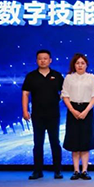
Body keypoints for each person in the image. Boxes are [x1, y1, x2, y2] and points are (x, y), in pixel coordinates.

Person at [22, 50, 65, 180]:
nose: (43, 61)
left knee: (55, 142)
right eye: (40, 58)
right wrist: (25, 110)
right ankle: (37, 171)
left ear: (50, 60)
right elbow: (25, 94)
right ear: (37, 60)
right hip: (37, 114)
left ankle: (57, 170)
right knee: (38, 143)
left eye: (45, 58)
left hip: (53, 114)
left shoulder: (57, 75)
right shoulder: (31, 76)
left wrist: (58, 99)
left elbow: (65, 92)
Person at [61, 53, 94, 180]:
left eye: (82, 63)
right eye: (77, 63)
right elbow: (65, 95)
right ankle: (76, 170)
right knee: (74, 142)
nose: (80, 65)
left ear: (86, 65)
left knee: (85, 141)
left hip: (87, 110)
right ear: (74, 65)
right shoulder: (69, 78)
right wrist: (72, 110)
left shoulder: (91, 78)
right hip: (72, 110)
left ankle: (84, 170)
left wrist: (86, 111)